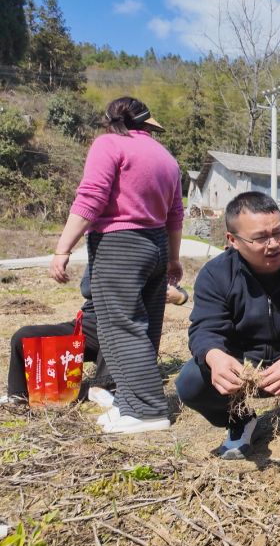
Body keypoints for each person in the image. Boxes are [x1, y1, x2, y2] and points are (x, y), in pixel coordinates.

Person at [48, 96, 183, 434]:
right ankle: (129, 403)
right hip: (157, 245)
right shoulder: (166, 157)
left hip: (120, 245)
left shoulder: (109, 144)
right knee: (146, 326)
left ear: (112, 122)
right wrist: (174, 259)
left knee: (120, 327)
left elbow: (91, 197)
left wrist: (63, 248)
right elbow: (175, 216)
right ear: (146, 125)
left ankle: (148, 410)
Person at [174, 192, 280, 459]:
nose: (274, 244)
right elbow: (205, 329)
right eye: (261, 238)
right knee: (191, 382)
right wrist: (215, 357)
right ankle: (240, 419)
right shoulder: (215, 274)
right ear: (232, 241)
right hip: (245, 370)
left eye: (279, 232)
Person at [3, 268, 188, 404]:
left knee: (116, 329)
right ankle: (18, 395)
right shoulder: (101, 248)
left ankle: (101, 387)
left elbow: (179, 292)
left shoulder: (151, 254)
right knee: (23, 337)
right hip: (88, 325)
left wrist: (179, 296)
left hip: (123, 329)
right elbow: (86, 288)